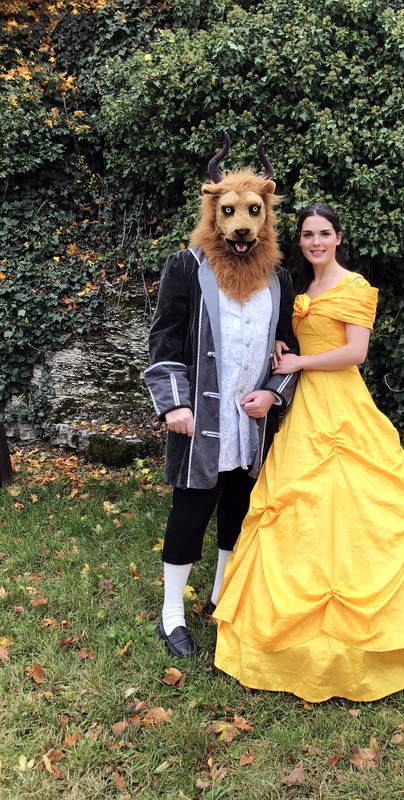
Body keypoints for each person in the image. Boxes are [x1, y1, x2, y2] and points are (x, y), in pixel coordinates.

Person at [213, 202, 404, 701]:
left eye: (324, 234)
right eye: (307, 235)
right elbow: (289, 340)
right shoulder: (299, 289)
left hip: (342, 404)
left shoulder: (354, 285)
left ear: (338, 238)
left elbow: (355, 352)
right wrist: (282, 350)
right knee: (297, 503)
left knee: (357, 499)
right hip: (304, 409)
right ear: (300, 241)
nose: (315, 242)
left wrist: (299, 361)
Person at [144, 136, 298, 658]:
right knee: (190, 513)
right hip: (200, 417)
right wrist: (175, 403)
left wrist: (273, 395)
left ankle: (220, 597)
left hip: (251, 422)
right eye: (230, 212)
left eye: (253, 211)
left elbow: (288, 348)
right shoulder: (186, 266)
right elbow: (165, 338)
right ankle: (171, 614)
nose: (241, 225)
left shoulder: (279, 279)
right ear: (213, 212)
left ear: (266, 214)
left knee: (238, 511)